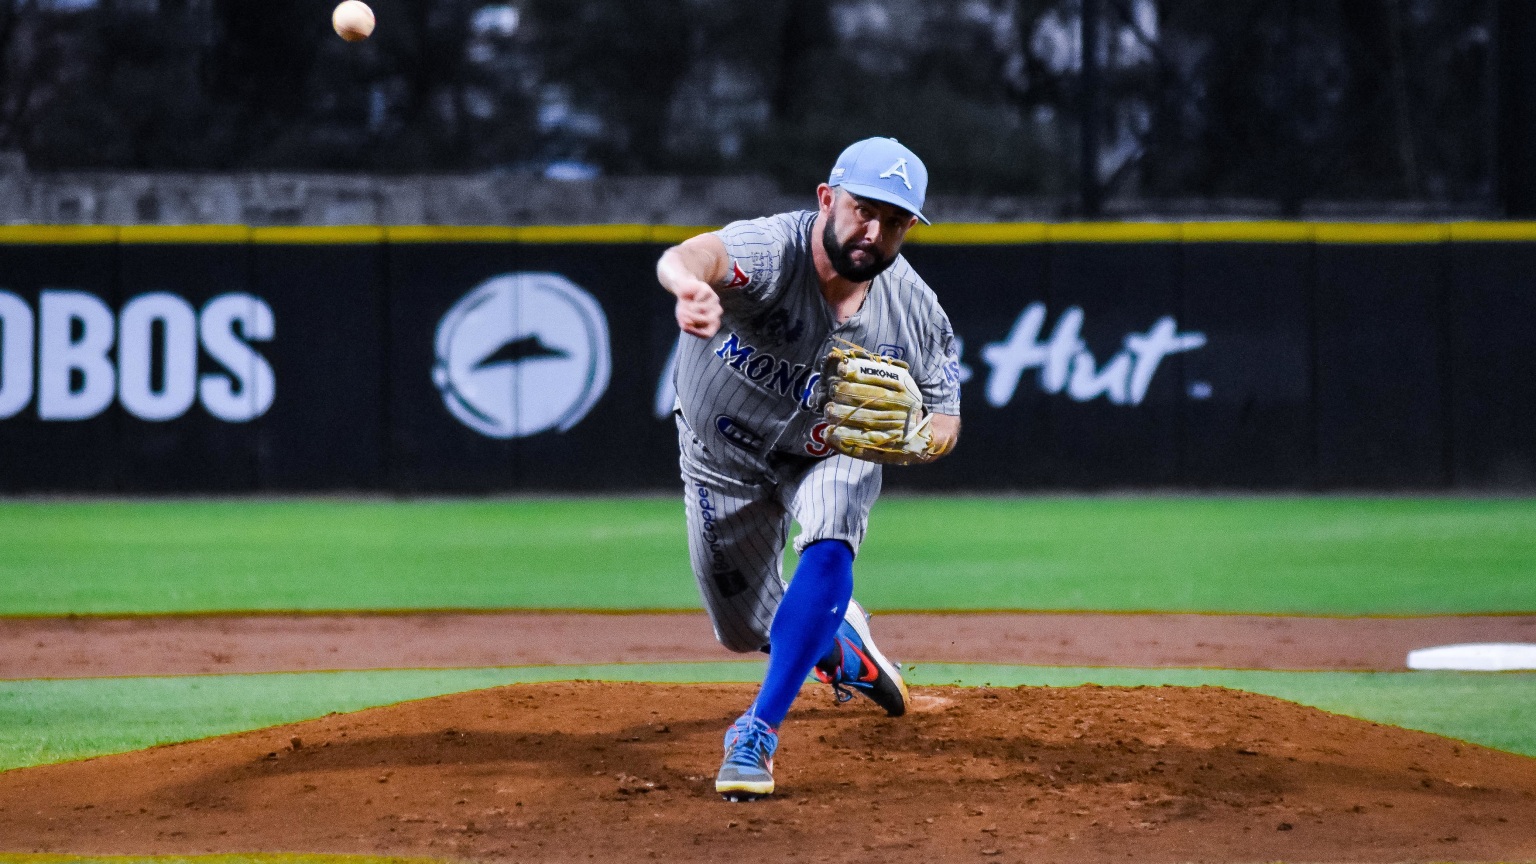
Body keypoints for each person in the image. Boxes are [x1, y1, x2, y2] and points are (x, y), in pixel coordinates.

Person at [655, 137, 962, 800]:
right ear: (827, 199)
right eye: (863, 210)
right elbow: (691, 255)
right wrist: (688, 287)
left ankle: (756, 732)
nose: (874, 232)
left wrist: (917, 441)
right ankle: (838, 639)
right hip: (721, 459)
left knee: (834, 526)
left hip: (829, 450)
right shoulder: (774, 251)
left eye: (895, 220)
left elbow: (945, 417)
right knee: (741, 630)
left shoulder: (915, 310)